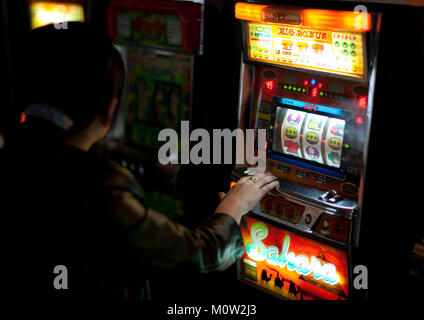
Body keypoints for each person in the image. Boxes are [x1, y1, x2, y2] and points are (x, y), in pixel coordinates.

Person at [5, 22, 279, 301]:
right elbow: (198, 257)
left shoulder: (15, 152)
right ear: (109, 108)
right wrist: (234, 204)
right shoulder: (99, 186)